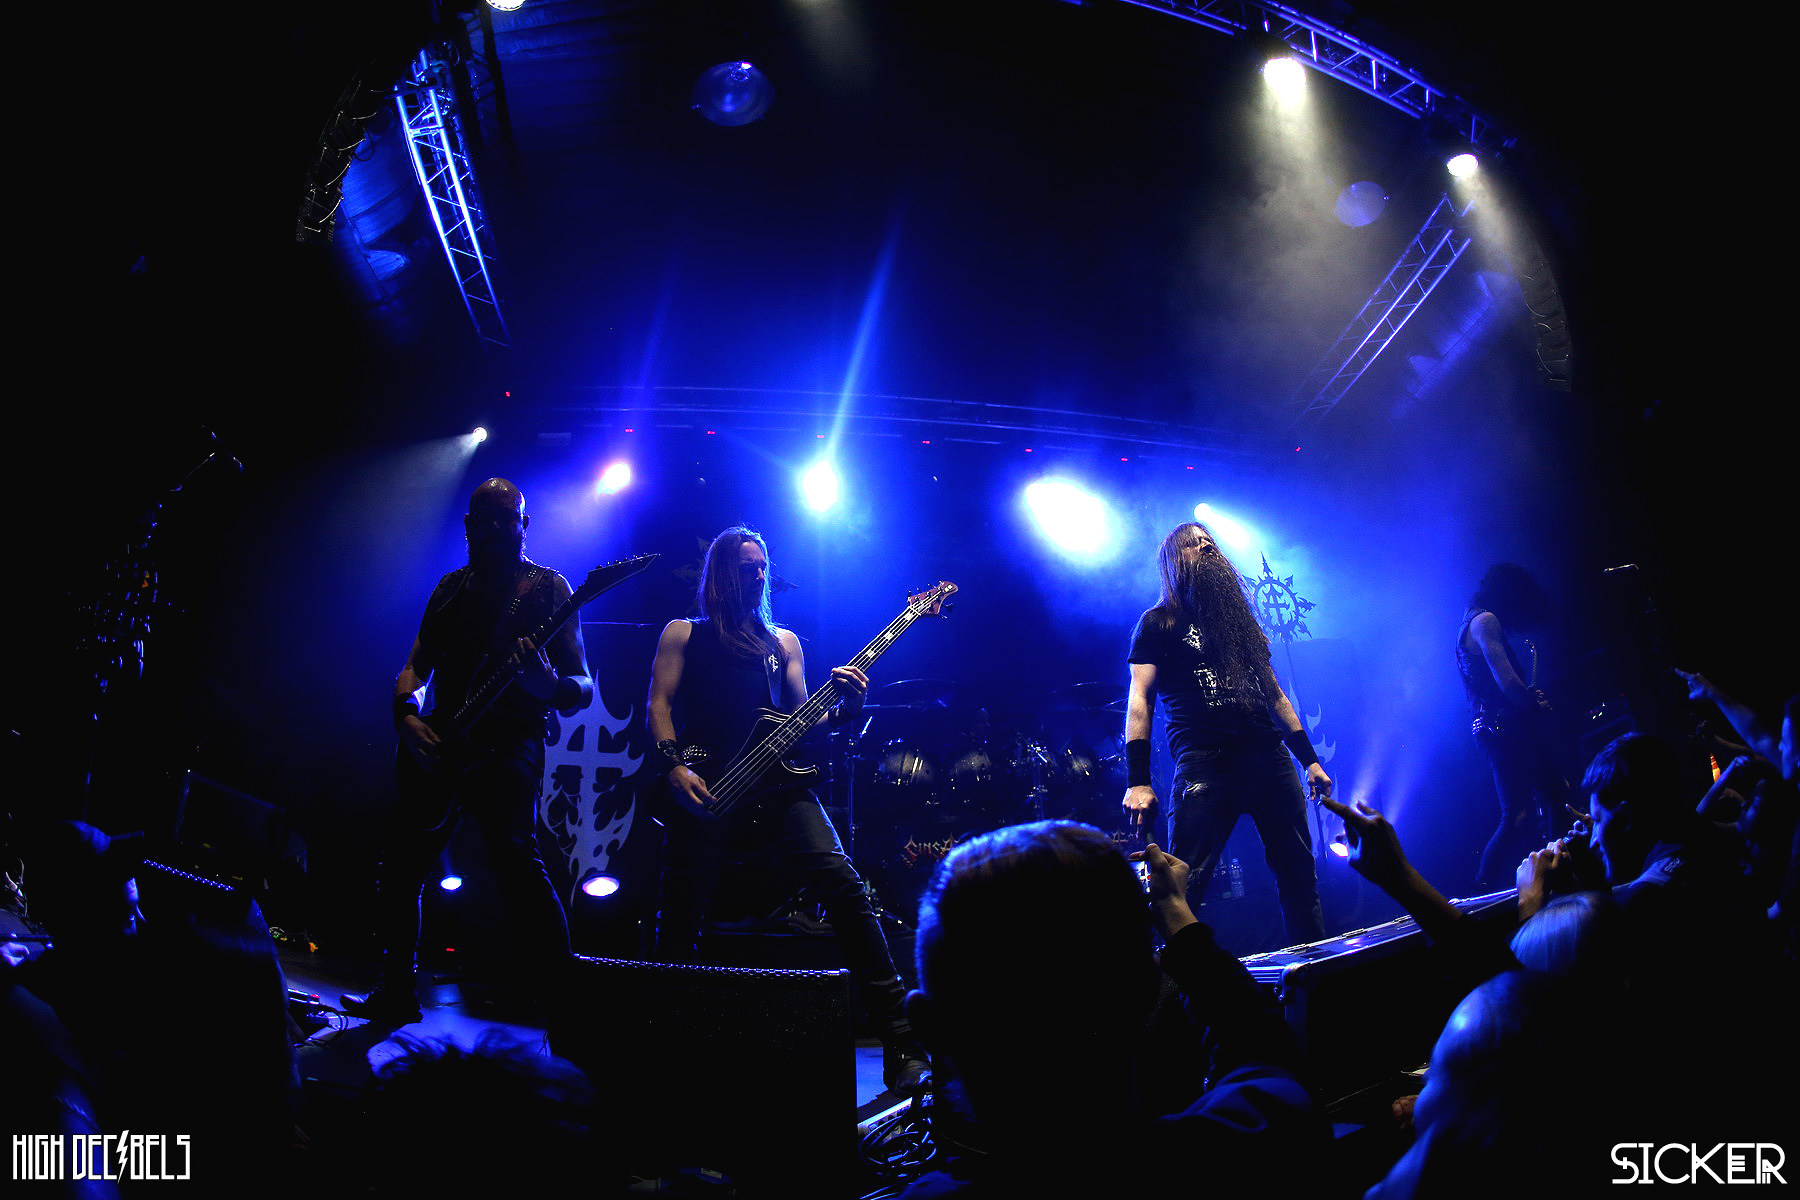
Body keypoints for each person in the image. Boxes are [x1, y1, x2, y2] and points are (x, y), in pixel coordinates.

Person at [647, 525, 929, 1096]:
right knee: (680, 913)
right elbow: (659, 705)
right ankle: (665, 1041)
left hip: (779, 788)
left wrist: (848, 707)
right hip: (706, 785)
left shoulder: (783, 644)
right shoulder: (683, 633)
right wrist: (674, 767)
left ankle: (901, 1038)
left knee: (842, 884)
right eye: (745, 566)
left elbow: (805, 721)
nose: (757, 575)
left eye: (762, 566)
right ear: (720, 573)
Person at [896, 820, 1320, 1197]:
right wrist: (1179, 919)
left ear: (929, 1029)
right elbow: (1264, 1057)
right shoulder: (1247, 1143)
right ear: (1150, 990)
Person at [344, 478, 593, 1023]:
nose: (497, 527)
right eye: (485, 518)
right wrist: (406, 717)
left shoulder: (549, 589)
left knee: (517, 860)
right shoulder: (450, 589)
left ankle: (567, 1004)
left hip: (510, 744)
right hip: (442, 743)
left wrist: (548, 687)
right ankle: (397, 990)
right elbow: (416, 667)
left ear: (524, 525)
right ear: (468, 525)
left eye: (508, 518)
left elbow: (583, 686)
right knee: (402, 866)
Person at [1120, 521, 1330, 946]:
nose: (1207, 547)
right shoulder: (1159, 622)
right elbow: (1140, 700)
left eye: (1210, 541)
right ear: (1175, 561)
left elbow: (1275, 695)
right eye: (1194, 544)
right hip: (1206, 762)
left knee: (1298, 874)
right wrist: (1138, 780)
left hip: (1269, 758)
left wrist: (1309, 760)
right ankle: (1171, 982)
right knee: (1184, 883)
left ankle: (1314, 970)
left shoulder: (1240, 625)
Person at [1456, 562, 1572, 888]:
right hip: (1505, 729)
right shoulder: (1486, 621)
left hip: (1496, 729)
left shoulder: (1469, 622)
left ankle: (1537, 876)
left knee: (1535, 805)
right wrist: (1532, 703)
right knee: (1534, 806)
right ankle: (1497, 884)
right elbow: (1506, 682)